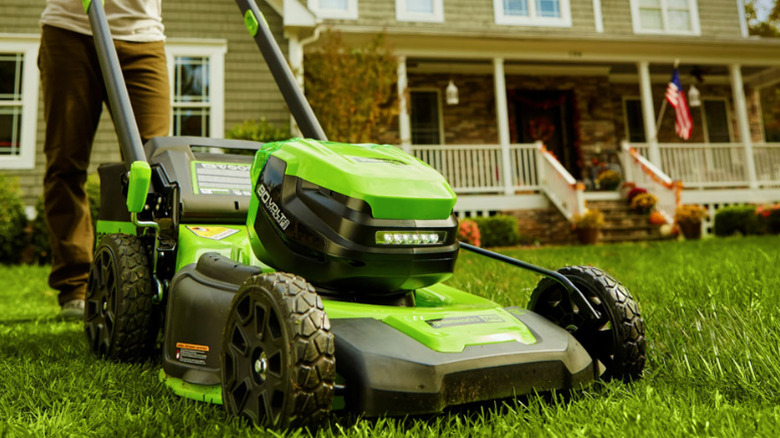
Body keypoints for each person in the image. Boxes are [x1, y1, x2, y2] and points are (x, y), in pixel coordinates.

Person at [39, 0, 170, 319]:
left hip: (141, 35)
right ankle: (76, 287)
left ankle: (151, 281)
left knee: (157, 168)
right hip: (71, 28)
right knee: (66, 162)